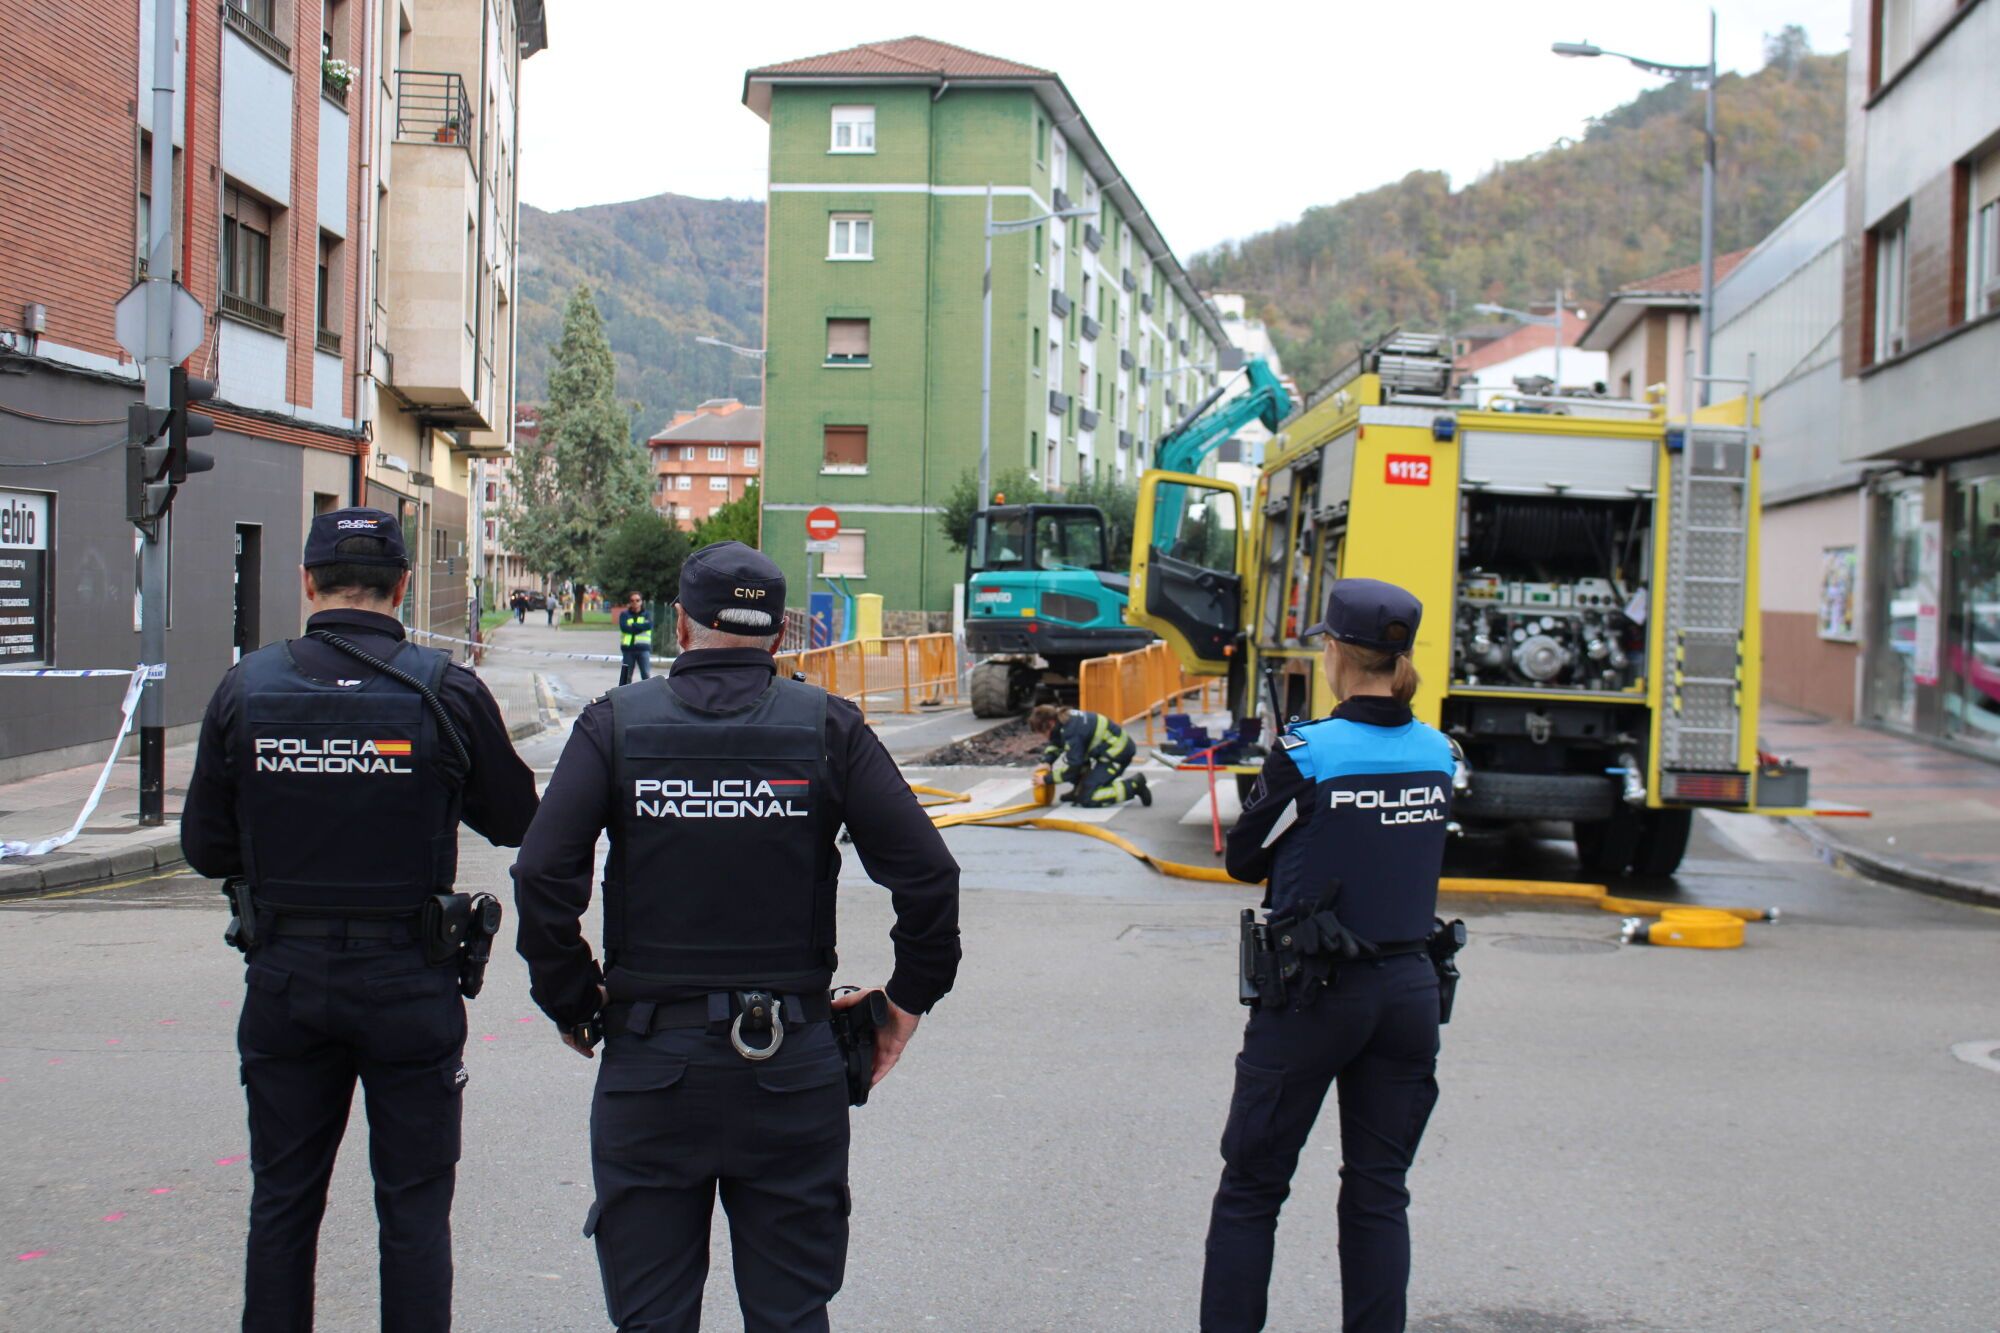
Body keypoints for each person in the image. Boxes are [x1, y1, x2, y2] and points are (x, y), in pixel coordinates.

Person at [513, 540, 961, 1332]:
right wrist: (907, 1000)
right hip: (790, 1067)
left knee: (652, 1316)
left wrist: (574, 999)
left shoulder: (615, 724)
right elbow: (929, 875)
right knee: (790, 1314)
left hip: (652, 1065)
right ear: (778, 635)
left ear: (680, 627)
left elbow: (544, 874)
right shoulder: (828, 726)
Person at [180, 507, 539, 1333]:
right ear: (404, 585)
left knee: (282, 1199)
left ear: (306, 583)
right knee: (413, 1209)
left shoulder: (247, 689)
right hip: (408, 979)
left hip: (285, 975)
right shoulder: (442, 688)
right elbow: (519, 817)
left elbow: (204, 845)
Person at [1200, 578, 1457, 1333]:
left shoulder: (1310, 752)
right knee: (1380, 1190)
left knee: (1251, 1188)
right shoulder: (1438, 752)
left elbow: (1243, 858)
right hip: (1410, 994)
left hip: (1313, 996)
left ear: (1337, 651)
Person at [1027, 703, 1151, 807]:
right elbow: (1056, 742)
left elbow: (1073, 768)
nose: (1044, 737)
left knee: (1088, 797)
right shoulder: (1063, 719)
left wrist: (1046, 779)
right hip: (1106, 751)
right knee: (1076, 761)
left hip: (1118, 754)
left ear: (1050, 723)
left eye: (1043, 733)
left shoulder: (1072, 732)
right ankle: (1078, 790)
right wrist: (1047, 761)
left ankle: (1134, 785)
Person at [616, 589, 654, 685]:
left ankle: (648, 696)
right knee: (626, 677)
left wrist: (633, 625)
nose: (635, 603)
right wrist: (640, 627)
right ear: (629, 602)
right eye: (632, 600)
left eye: (637, 600)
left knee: (646, 675)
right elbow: (624, 628)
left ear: (641, 601)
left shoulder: (647, 614)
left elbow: (648, 626)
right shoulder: (624, 615)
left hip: (643, 649)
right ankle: (624, 697)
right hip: (628, 650)